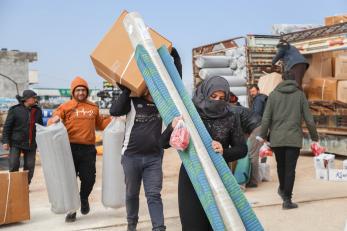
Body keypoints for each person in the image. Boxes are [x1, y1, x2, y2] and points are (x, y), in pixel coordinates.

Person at [161, 76, 248, 231]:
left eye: (222, 98)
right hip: (192, 176)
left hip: (220, 176)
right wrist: (172, 126)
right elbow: (162, 143)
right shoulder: (190, 114)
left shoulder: (231, 116)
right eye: (213, 96)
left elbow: (242, 149)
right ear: (204, 93)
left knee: (218, 224)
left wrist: (223, 151)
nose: (217, 101)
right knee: (192, 223)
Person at [48, 76, 111, 222]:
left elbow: (101, 124)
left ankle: (83, 199)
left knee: (89, 179)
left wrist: (114, 120)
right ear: (73, 91)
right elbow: (54, 117)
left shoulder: (93, 107)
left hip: (88, 149)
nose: (81, 92)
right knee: (69, 181)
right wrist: (55, 119)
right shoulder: (65, 106)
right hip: (69, 149)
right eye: (78, 90)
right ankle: (71, 211)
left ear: (87, 91)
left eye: (83, 90)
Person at [110, 85, 166, 231]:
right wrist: (127, 90)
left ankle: (159, 228)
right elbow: (114, 111)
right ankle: (132, 223)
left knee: (154, 194)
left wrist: (177, 60)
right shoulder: (132, 101)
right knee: (131, 193)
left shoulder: (162, 103)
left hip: (153, 158)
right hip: (131, 157)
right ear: (145, 89)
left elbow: (173, 80)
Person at [259, 72, 318, 210]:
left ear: (282, 80)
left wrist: (262, 136)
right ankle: (287, 200)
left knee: (281, 166)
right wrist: (314, 137)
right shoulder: (299, 95)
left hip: (277, 139)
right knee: (290, 169)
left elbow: (266, 118)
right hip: (293, 138)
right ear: (295, 81)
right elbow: (309, 119)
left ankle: (282, 189)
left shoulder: (273, 95)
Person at [2, 90, 43, 185]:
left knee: (30, 166)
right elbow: (7, 127)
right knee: (13, 164)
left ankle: (25, 186)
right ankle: (14, 185)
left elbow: (40, 127)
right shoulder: (14, 110)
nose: (35, 99)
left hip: (31, 143)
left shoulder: (37, 111)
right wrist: (5, 141)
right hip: (16, 143)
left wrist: (41, 143)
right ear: (27, 99)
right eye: (34, 97)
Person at [228, 93, 263, 188]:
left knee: (252, 154)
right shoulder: (235, 108)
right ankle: (247, 177)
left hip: (258, 128)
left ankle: (254, 181)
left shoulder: (233, 111)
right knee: (246, 152)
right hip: (254, 127)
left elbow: (238, 129)